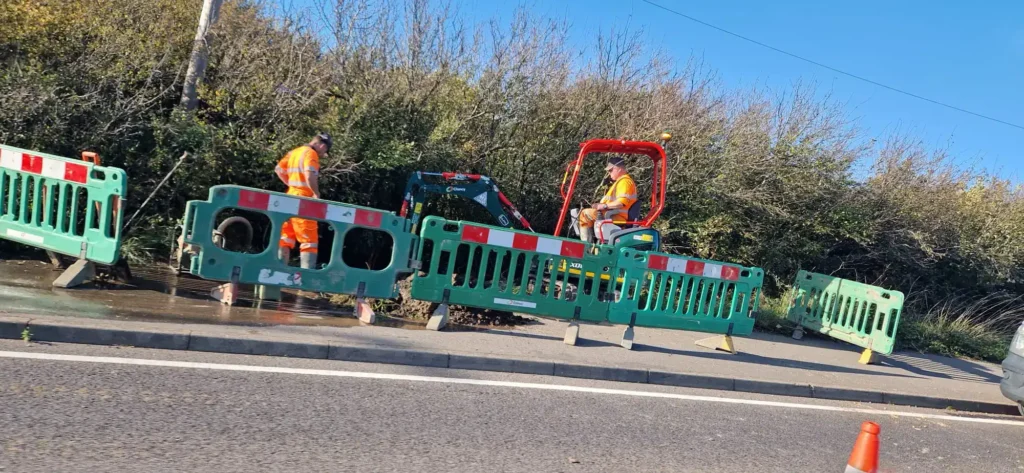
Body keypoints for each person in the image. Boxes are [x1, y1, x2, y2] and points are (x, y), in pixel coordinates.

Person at [274, 133, 331, 269]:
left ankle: (278, 273)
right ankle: (306, 282)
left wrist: (292, 185)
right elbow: (309, 174)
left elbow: (278, 170)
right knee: (309, 241)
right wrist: (316, 194)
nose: (324, 154)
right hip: (304, 201)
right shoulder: (311, 154)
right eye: (325, 151)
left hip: (289, 197)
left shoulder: (294, 152)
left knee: (285, 238)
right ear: (322, 146)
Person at [577, 156, 637, 242]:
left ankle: (586, 245)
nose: (609, 173)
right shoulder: (620, 182)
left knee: (585, 214)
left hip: (618, 218)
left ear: (619, 169)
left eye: (611, 170)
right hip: (612, 215)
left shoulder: (625, 182)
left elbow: (620, 203)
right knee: (587, 214)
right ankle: (592, 243)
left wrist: (603, 206)